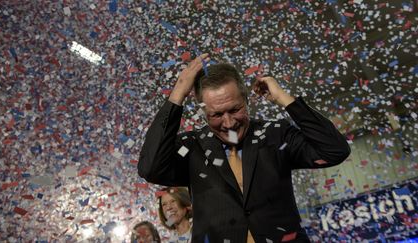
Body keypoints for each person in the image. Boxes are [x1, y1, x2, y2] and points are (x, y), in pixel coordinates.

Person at [138, 53, 351, 242]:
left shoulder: (275, 134)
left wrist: (285, 99)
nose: (229, 123)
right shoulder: (192, 147)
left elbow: (334, 150)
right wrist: (177, 97)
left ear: (246, 100)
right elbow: (150, 167)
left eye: (235, 109)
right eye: (217, 115)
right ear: (204, 112)